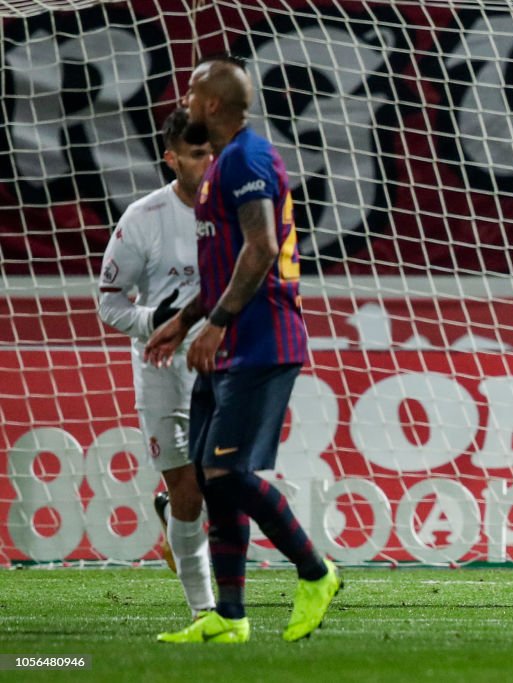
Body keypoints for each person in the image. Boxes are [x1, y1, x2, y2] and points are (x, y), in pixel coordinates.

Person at [145, 55, 340, 643]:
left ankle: (316, 571)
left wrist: (218, 324)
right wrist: (185, 321)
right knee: (210, 477)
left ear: (210, 105)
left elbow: (259, 249)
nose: (184, 98)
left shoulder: (248, 159)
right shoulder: (225, 163)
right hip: (231, 339)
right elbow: (228, 263)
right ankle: (229, 618)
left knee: (224, 471)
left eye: (191, 89)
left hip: (262, 339)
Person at [98, 108, 216, 620]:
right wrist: (154, 322)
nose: (208, 162)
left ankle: (175, 521)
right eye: (196, 155)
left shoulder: (239, 212)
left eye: (213, 151)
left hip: (223, 363)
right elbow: (109, 302)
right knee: (188, 490)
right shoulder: (142, 219)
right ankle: (205, 614)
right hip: (163, 370)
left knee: (220, 481)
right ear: (172, 161)